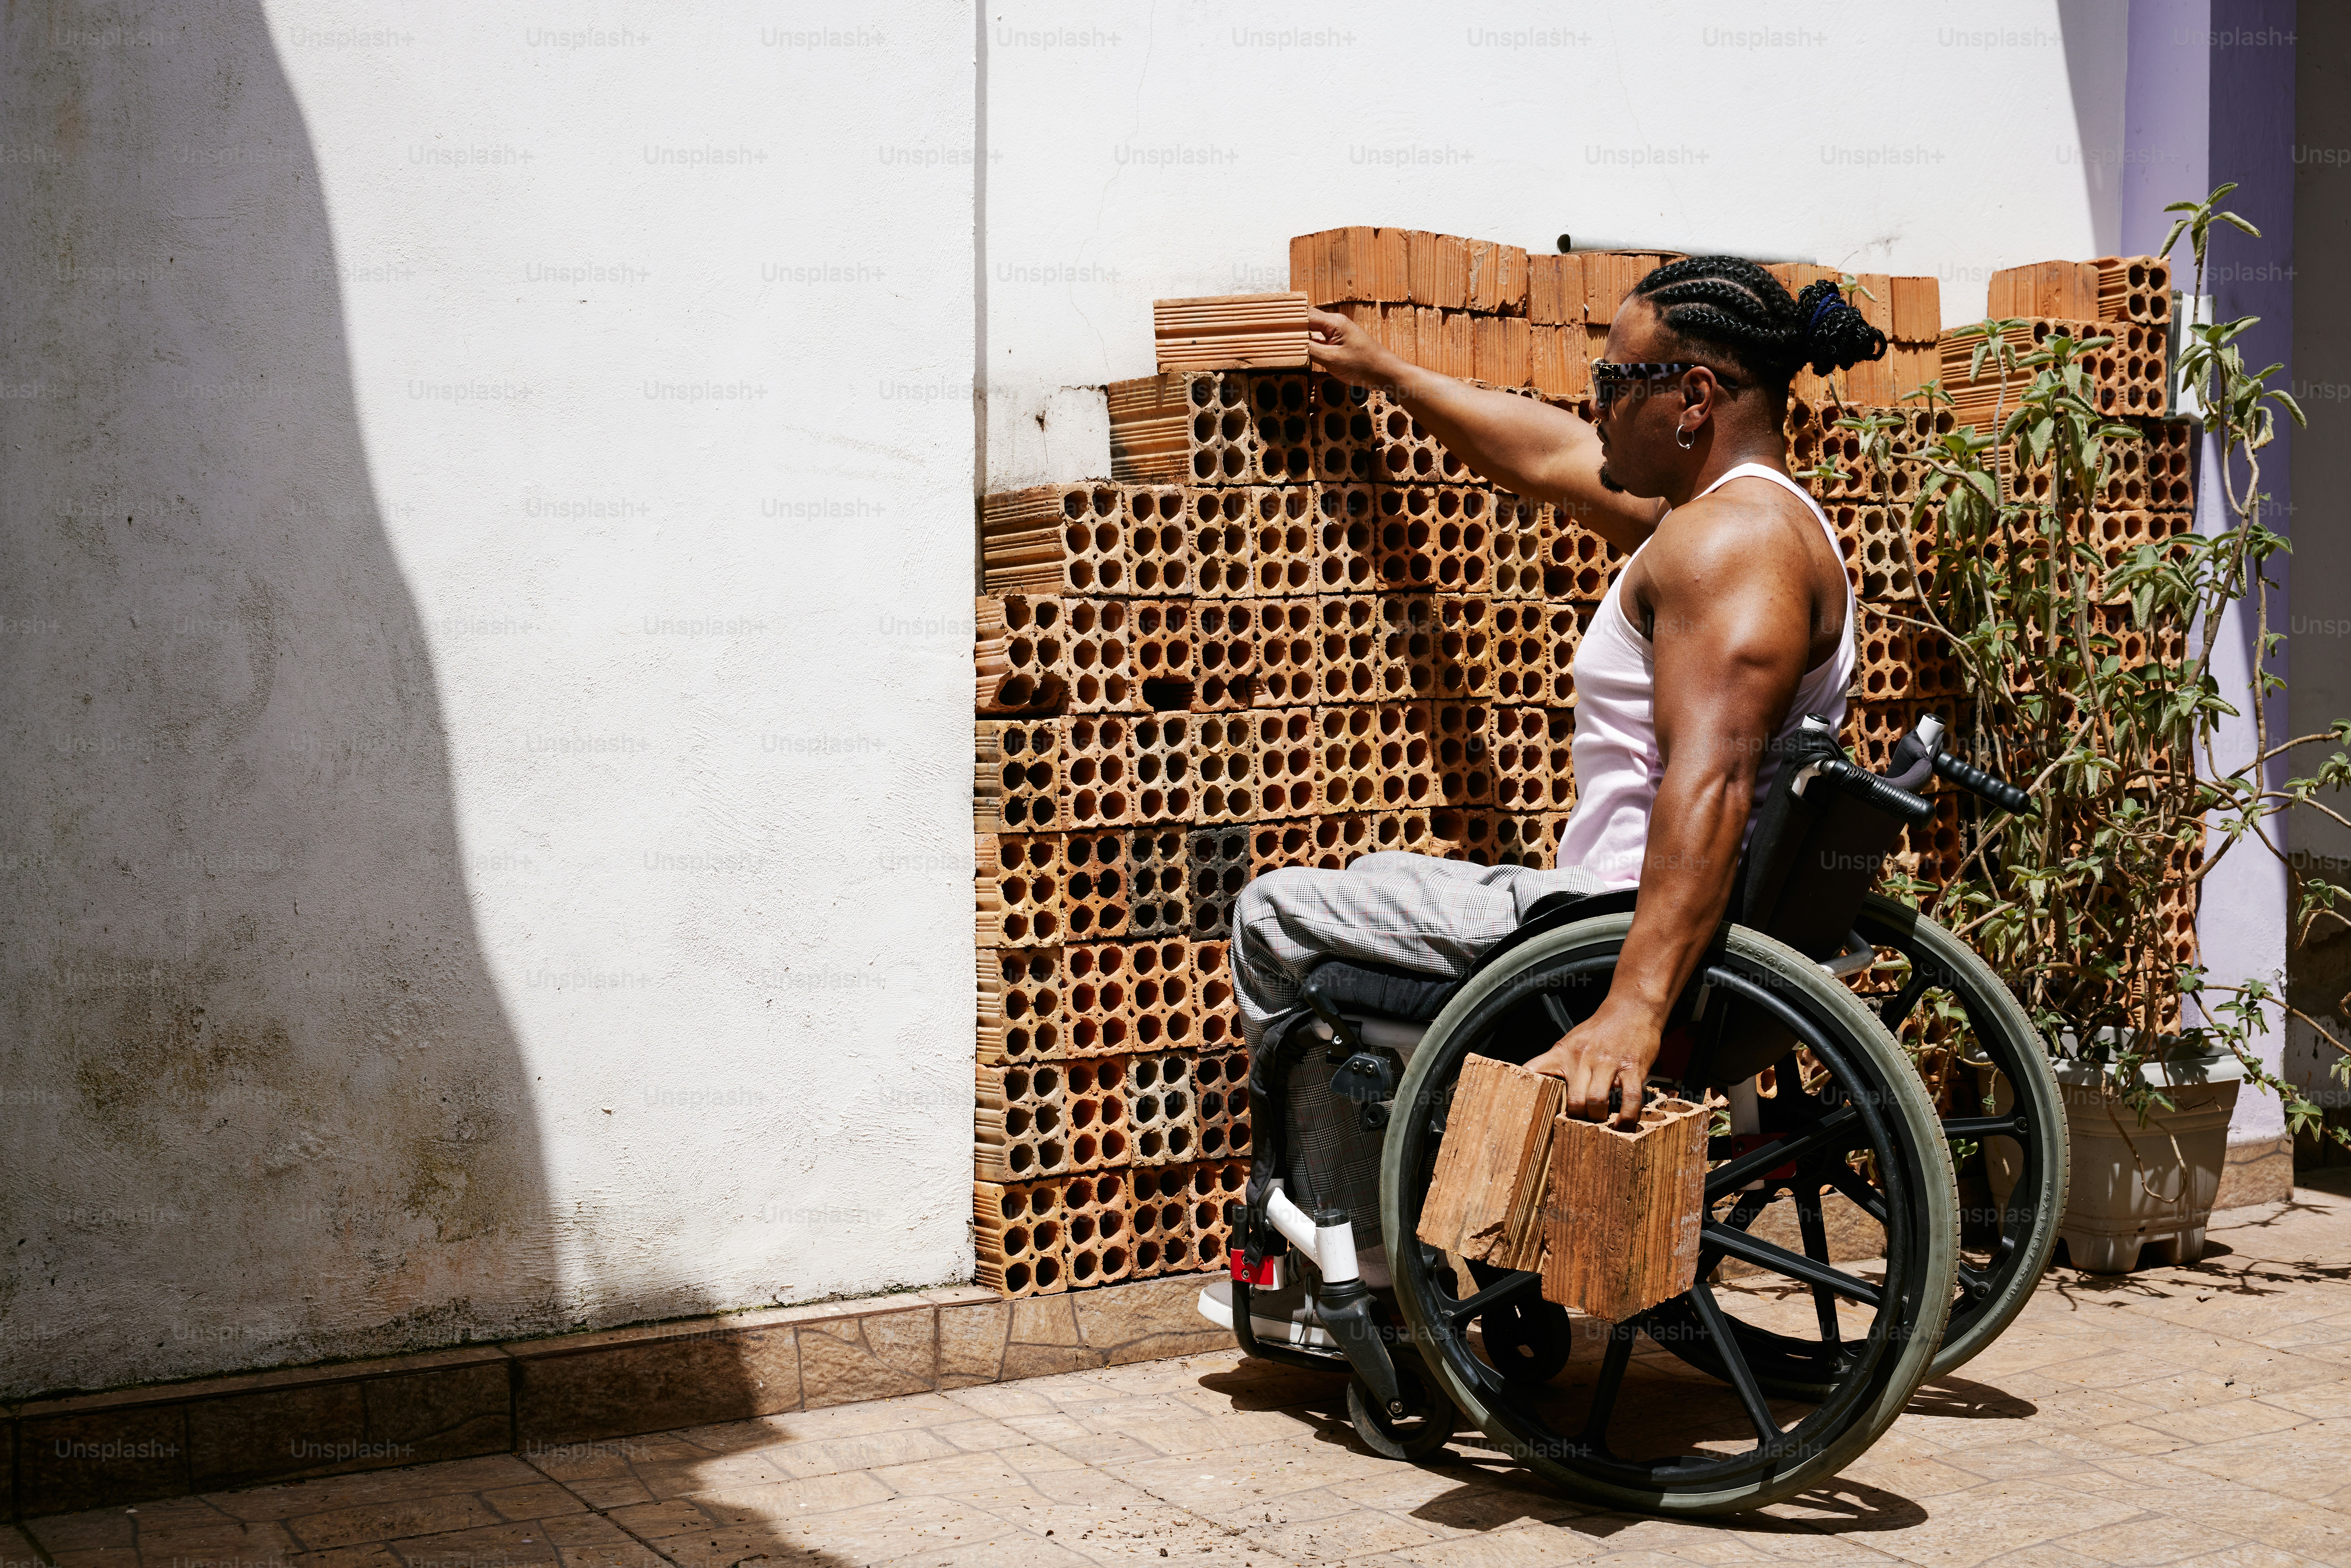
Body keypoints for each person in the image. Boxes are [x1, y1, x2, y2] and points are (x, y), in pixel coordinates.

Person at [1232, 257, 1885, 1150]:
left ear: (1693, 397)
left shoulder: (1730, 546)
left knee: (1273, 913)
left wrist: (1633, 1010)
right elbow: (1544, 454)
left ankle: (1360, 1258)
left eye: (1613, 382)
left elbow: (1715, 781)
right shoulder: (1736, 519)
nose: (1595, 407)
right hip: (1609, 912)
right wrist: (1385, 371)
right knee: (1377, 880)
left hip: (1603, 925)